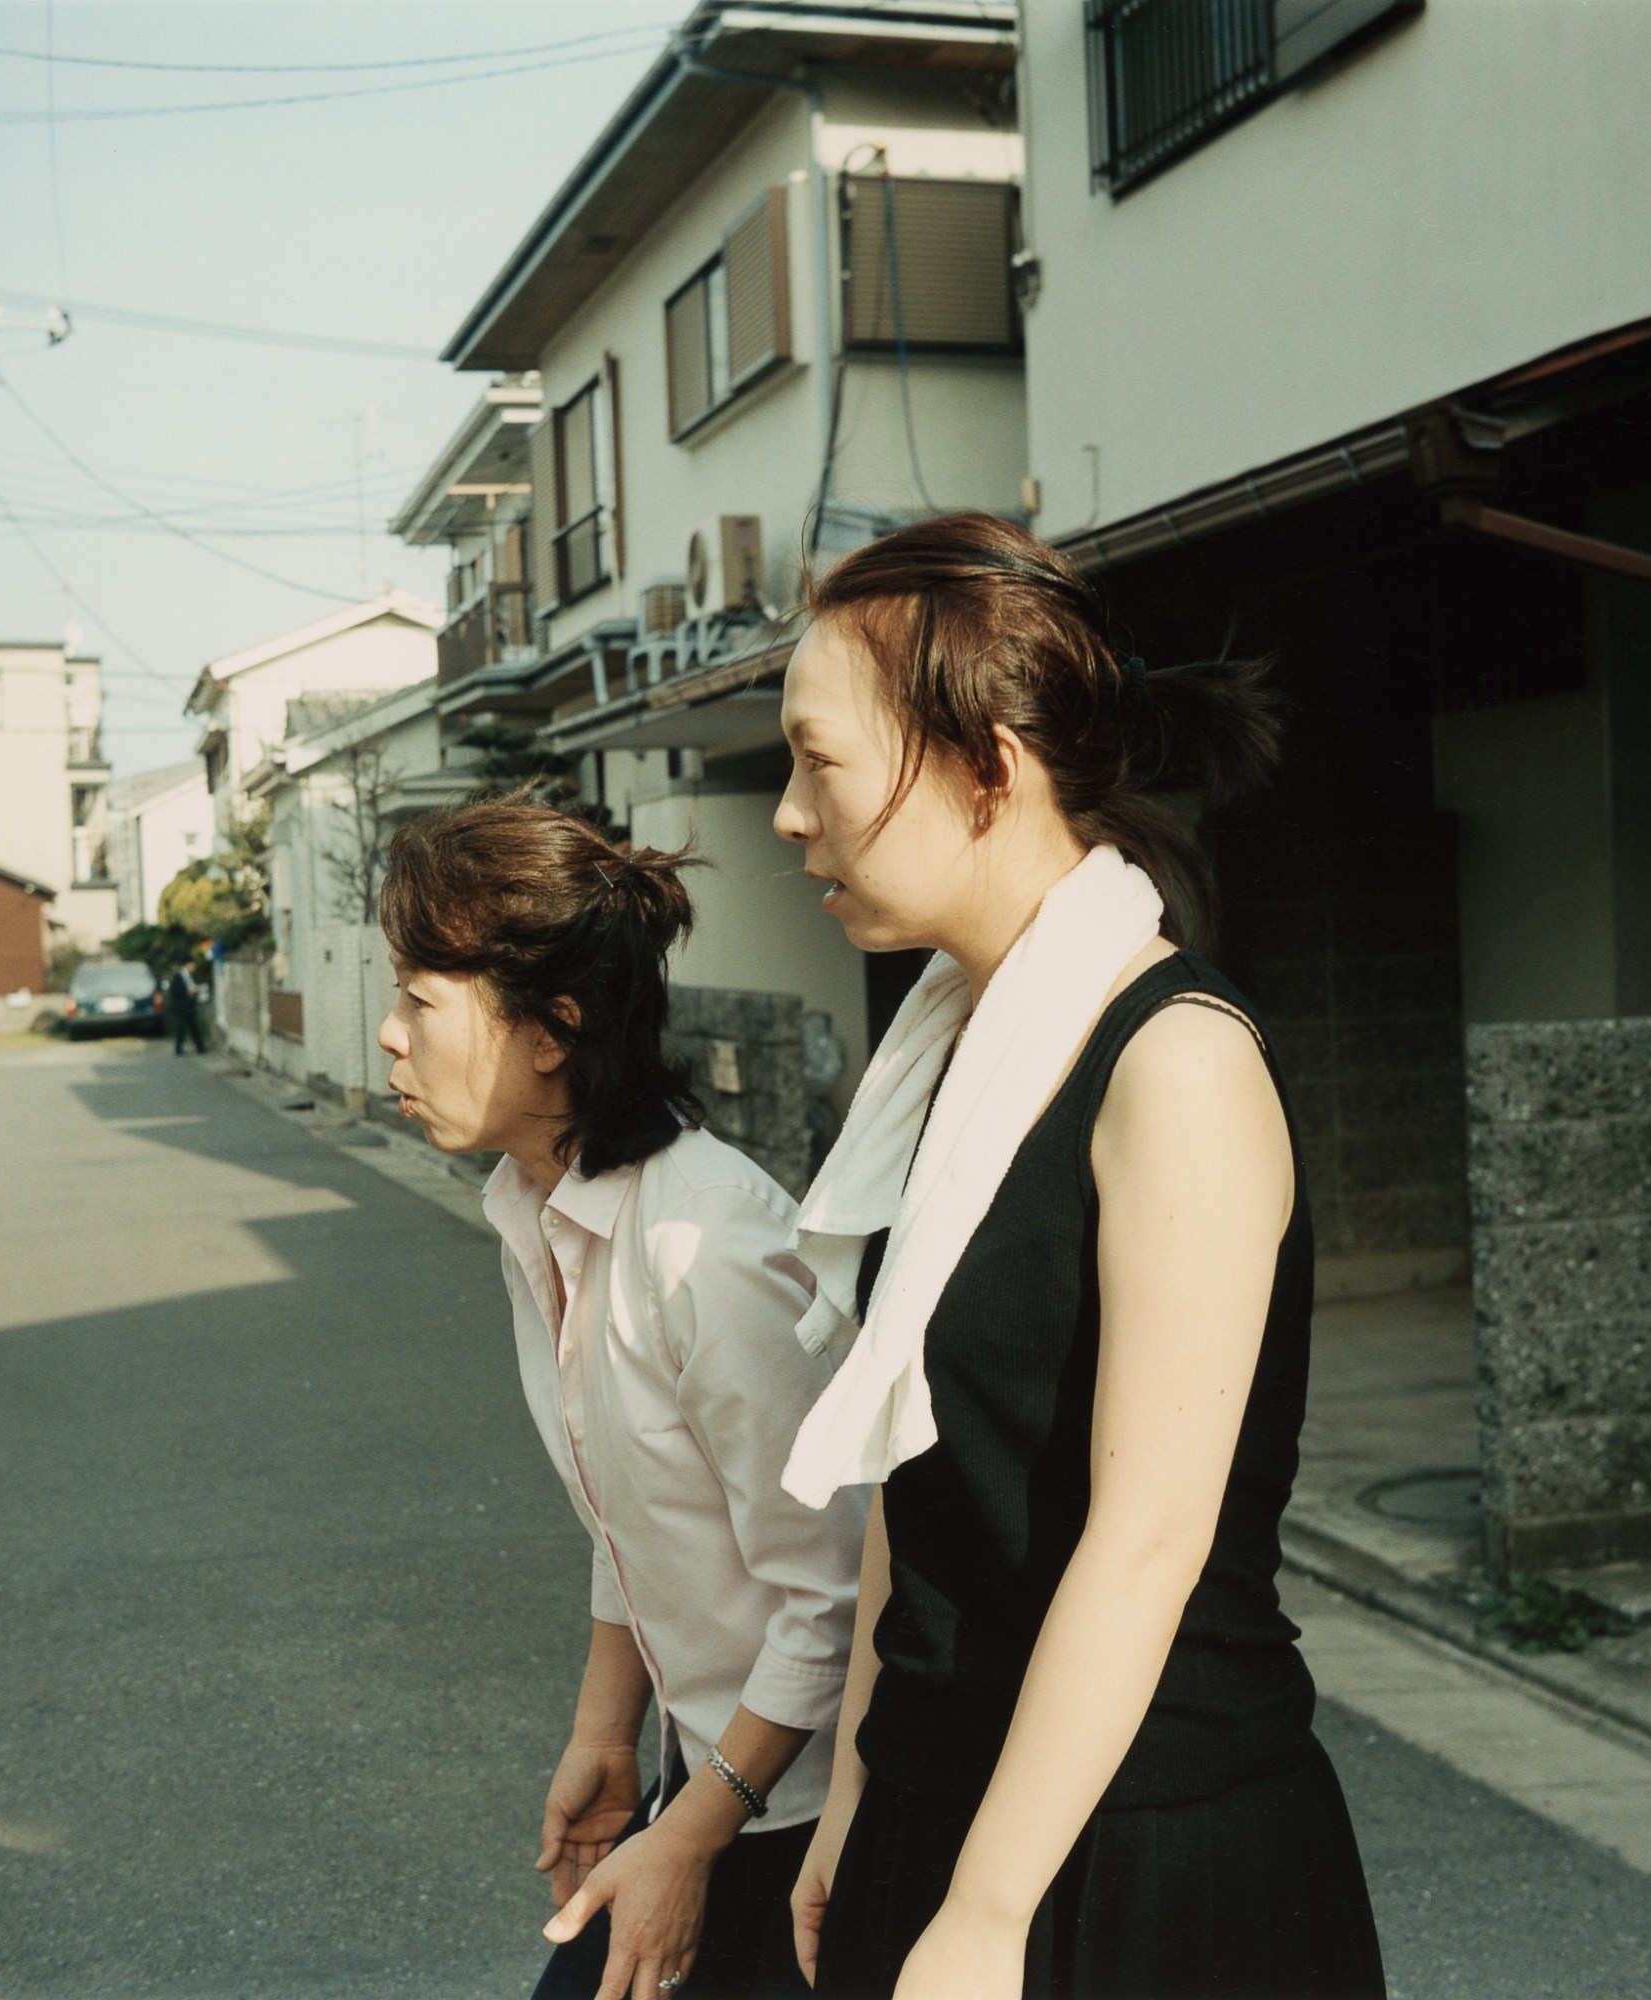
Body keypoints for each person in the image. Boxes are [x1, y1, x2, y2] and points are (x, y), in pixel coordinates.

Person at [771, 515, 1385, 2000]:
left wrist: (987, 1918)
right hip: (939, 1800)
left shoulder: (1172, 1060)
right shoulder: (952, 1055)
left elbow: (1149, 1538)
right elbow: (903, 1462)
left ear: (991, 764)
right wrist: (855, 1795)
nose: (790, 816)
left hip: (1135, 1852)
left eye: (818, 761)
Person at [375, 797, 866, 2000]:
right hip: (705, 1778)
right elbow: (625, 1513)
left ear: (554, 1029)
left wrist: (692, 1833)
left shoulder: (707, 1238)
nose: (387, 1036)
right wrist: (605, 1739)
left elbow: (834, 1593)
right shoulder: (531, 1208)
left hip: (806, 1817)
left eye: (420, 1001)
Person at [166, 961, 206, 1055]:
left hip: (189, 1006)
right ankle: (178, 1048)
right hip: (180, 1007)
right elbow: (175, 991)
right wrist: (187, 991)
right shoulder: (178, 977)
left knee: (193, 1027)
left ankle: (200, 1047)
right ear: (187, 965)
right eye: (192, 965)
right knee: (181, 1028)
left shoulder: (189, 976)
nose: (194, 967)